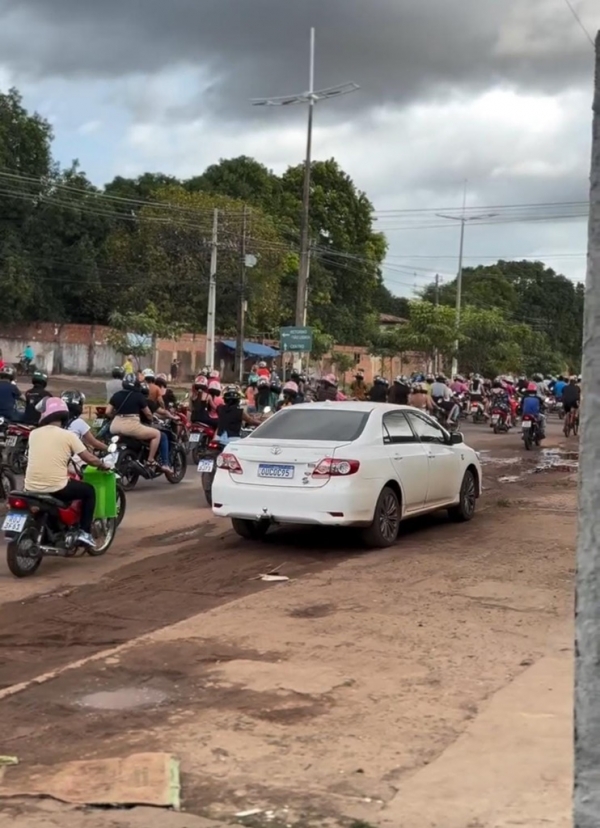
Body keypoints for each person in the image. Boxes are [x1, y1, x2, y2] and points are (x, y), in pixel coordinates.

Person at [24, 398, 108, 548]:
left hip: (30, 487)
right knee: (89, 491)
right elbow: (88, 458)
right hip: (56, 487)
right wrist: (102, 464)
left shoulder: (33, 434)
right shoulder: (68, 435)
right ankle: (84, 532)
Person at [106, 373, 166, 471]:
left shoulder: (116, 395)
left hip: (115, 426)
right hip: (131, 426)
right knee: (157, 434)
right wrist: (151, 419)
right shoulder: (139, 396)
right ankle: (150, 460)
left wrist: (115, 416)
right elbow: (148, 414)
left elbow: (108, 412)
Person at [61, 390, 109, 454]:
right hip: (68, 458)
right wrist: (109, 449)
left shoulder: (54, 421)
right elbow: (94, 443)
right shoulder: (79, 423)